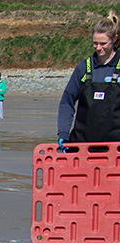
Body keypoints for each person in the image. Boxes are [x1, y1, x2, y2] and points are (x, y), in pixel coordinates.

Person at [58, 10, 120, 146]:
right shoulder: (84, 67)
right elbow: (67, 102)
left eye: (103, 43)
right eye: (95, 43)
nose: (98, 47)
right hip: (83, 145)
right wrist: (63, 133)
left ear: (115, 39)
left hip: (115, 147)